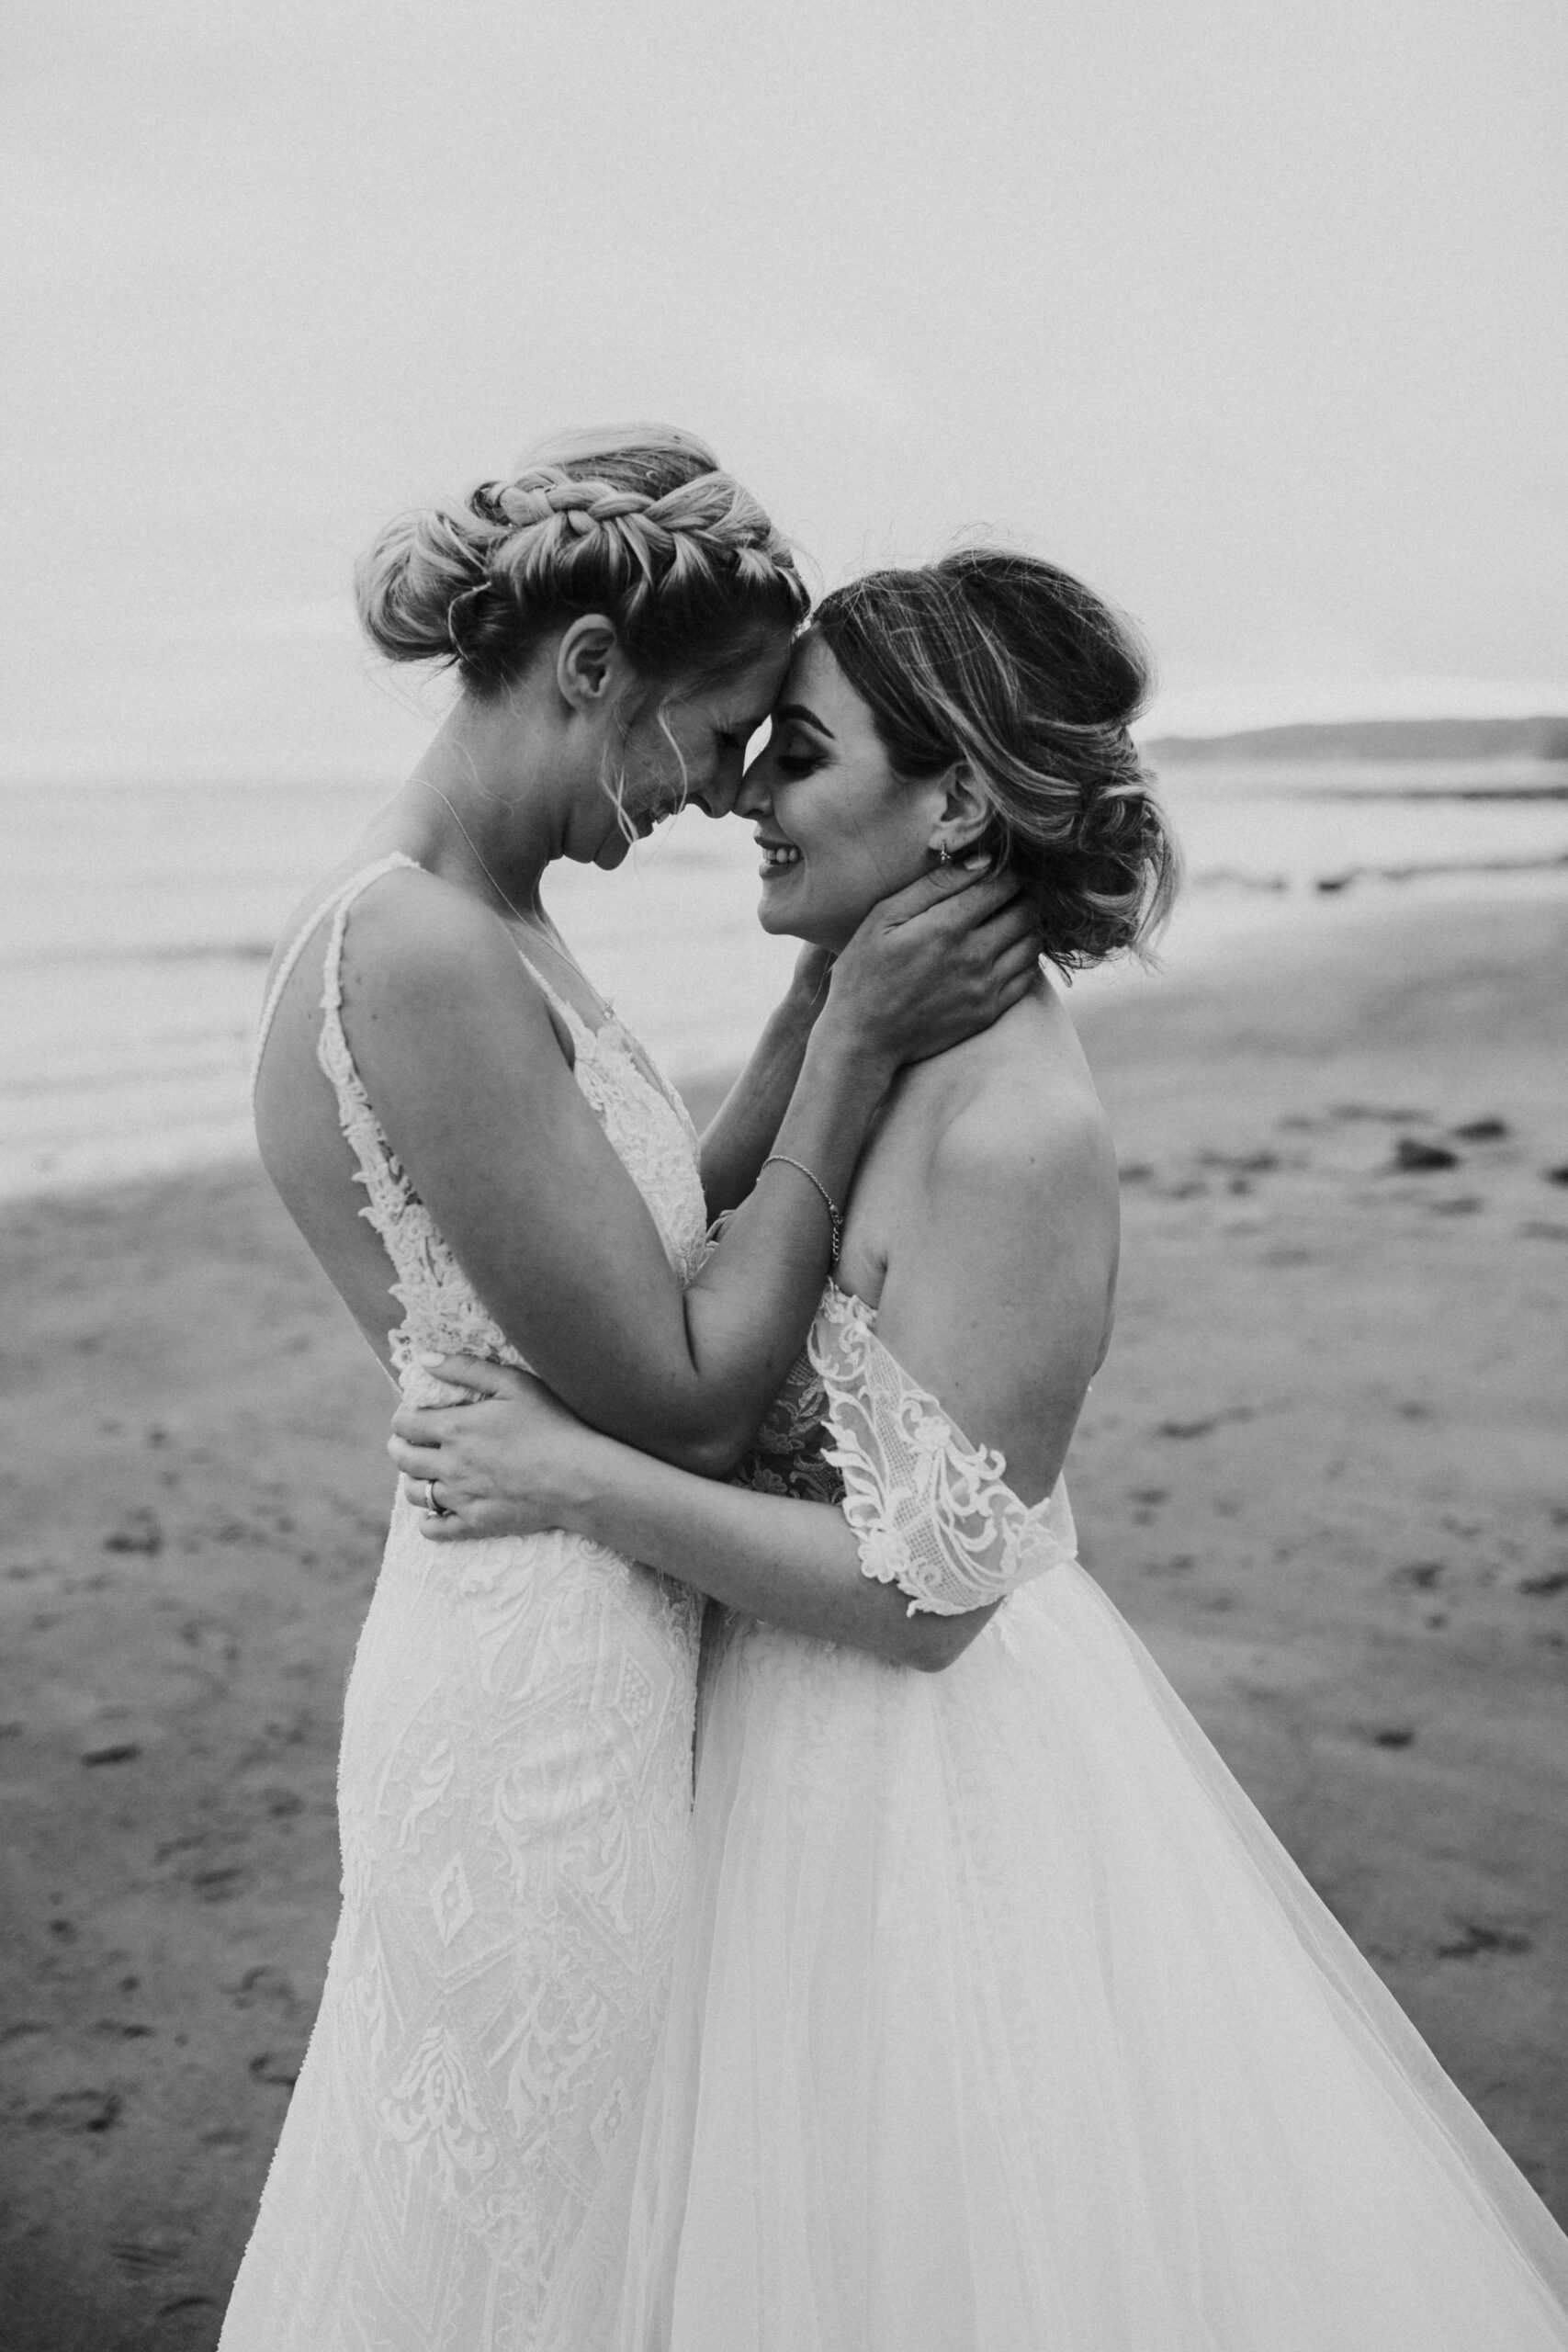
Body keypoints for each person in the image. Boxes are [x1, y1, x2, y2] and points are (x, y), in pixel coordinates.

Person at [392, 550, 1568, 2350]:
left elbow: (926, 1595)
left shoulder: (1015, 1128)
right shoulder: (885, 1056)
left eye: (794, 754)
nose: (741, 795)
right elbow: (702, 1283)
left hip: (898, 1791)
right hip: (760, 1738)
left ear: (948, 799)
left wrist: (569, 1473)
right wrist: (812, 1025)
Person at [223, 432, 1041, 2352]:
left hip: (584, 1641)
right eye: (716, 731)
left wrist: (809, 994)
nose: (713, 794)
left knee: (564, 2235)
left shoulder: (485, 913)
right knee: (511, 2257)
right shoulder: (418, 943)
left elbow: (651, 1253)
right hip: (532, 1707)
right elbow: (680, 1388)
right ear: (591, 667)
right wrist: (848, 1043)